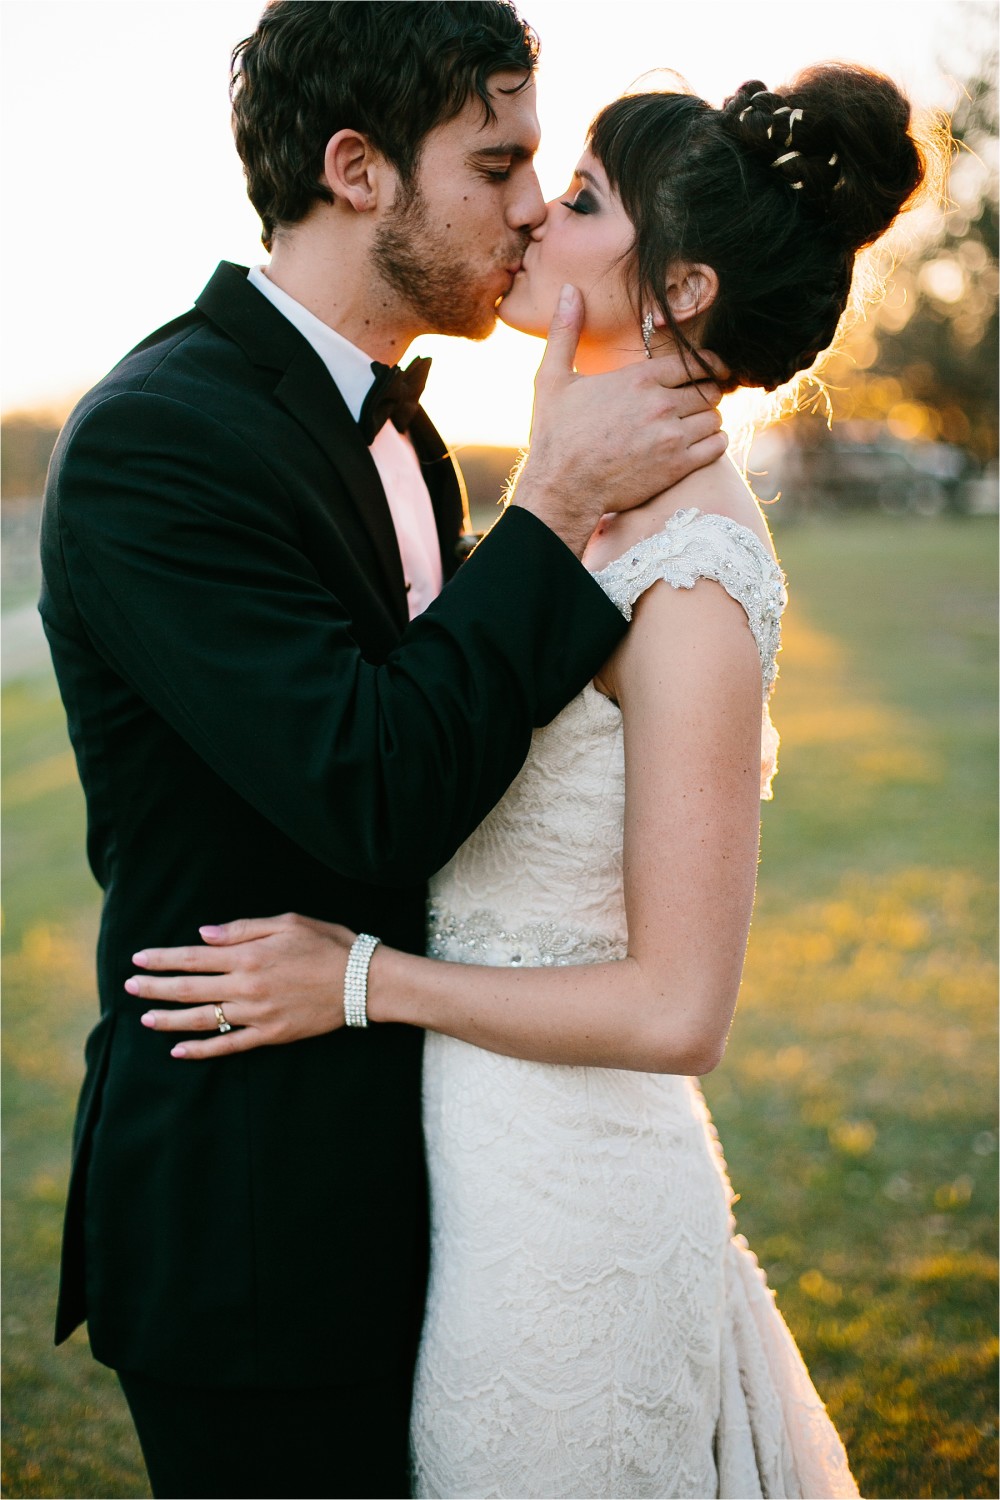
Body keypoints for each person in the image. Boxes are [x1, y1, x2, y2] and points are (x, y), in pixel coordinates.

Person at [131, 62, 930, 1499]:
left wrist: (365, 979)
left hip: (580, 1213)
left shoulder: (693, 569)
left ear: (678, 291)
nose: (530, 222)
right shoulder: (569, 499)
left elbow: (681, 1007)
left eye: (574, 200)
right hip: (468, 1190)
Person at [38, 4, 729, 1497]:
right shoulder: (159, 440)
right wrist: (549, 505)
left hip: (458, 1189)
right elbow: (369, 790)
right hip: (256, 1221)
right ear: (356, 169)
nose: (536, 205)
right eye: (500, 163)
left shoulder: (406, 436)